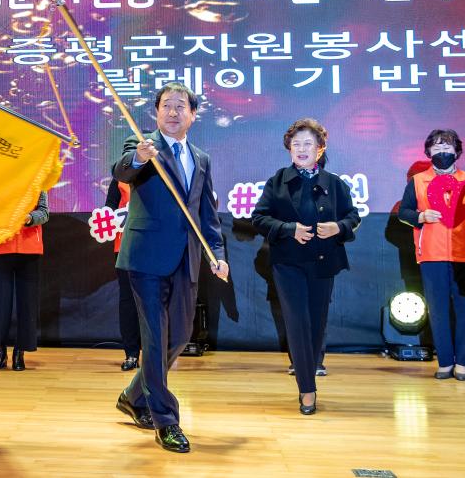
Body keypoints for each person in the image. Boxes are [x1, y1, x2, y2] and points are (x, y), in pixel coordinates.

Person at [112, 82, 229, 453]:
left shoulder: (201, 158)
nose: (173, 112)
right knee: (155, 337)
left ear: (193, 115)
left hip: (187, 259)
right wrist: (139, 158)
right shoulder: (142, 145)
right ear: (156, 112)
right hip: (146, 257)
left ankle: (133, 395)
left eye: (181, 106)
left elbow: (206, 213)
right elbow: (122, 171)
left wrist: (216, 252)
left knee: (179, 336)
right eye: (166, 105)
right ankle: (166, 420)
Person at [252, 118, 360, 415]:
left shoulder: (334, 183)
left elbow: (353, 217)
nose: (301, 149)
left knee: (316, 323)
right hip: (288, 264)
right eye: (296, 144)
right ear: (289, 148)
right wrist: (289, 229)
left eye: (308, 144)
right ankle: (307, 389)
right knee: (297, 322)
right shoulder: (278, 181)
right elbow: (259, 218)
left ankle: (309, 375)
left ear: (320, 149)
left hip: (323, 263)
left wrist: (338, 228)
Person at [398, 129, 465, 381]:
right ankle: (445, 361)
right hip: (432, 254)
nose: (442, 151)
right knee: (438, 309)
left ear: (457, 151)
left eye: (447, 146)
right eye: (436, 147)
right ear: (428, 151)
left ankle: (463, 362)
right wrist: (421, 216)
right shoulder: (418, 181)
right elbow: (404, 212)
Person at [0, 191, 49, 372]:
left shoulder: (38, 180)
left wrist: (29, 218)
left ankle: (20, 352)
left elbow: (44, 212)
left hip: (29, 248)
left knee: (27, 304)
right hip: (0, 245)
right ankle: (0, 352)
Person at [106, 178, 141, 371]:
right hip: (125, 247)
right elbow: (108, 210)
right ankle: (131, 353)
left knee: (154, 300)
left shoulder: (159, 175)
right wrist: (116, 217)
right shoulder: (120, 180)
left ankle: (155, 354)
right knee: (128, 301)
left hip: (153, 247)